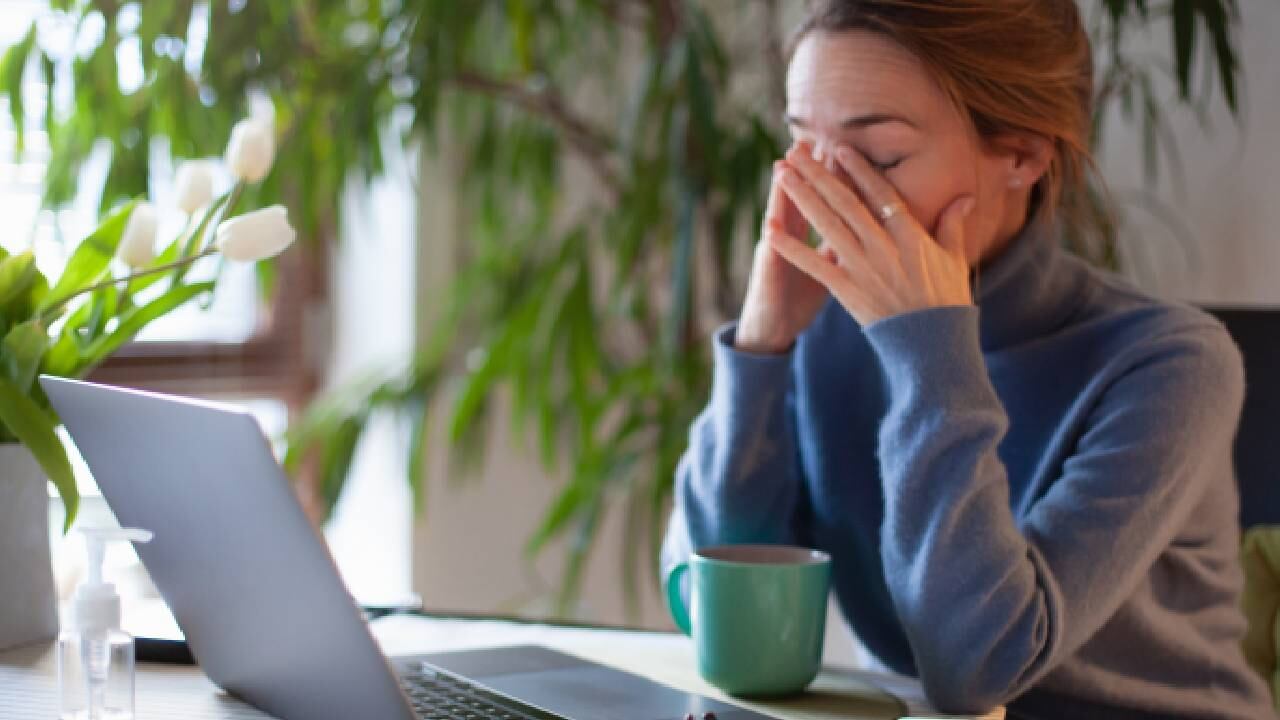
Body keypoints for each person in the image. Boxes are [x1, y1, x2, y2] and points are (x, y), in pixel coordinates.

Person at [659, 2, 1276, 718]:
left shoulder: (1171, 366)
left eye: (881, 156)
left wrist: (930, 349)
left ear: (1022, 153)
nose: (824, 197)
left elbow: (977, 665)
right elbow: (710, 608)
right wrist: (763, 345)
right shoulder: (829, 331)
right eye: (801, 147)